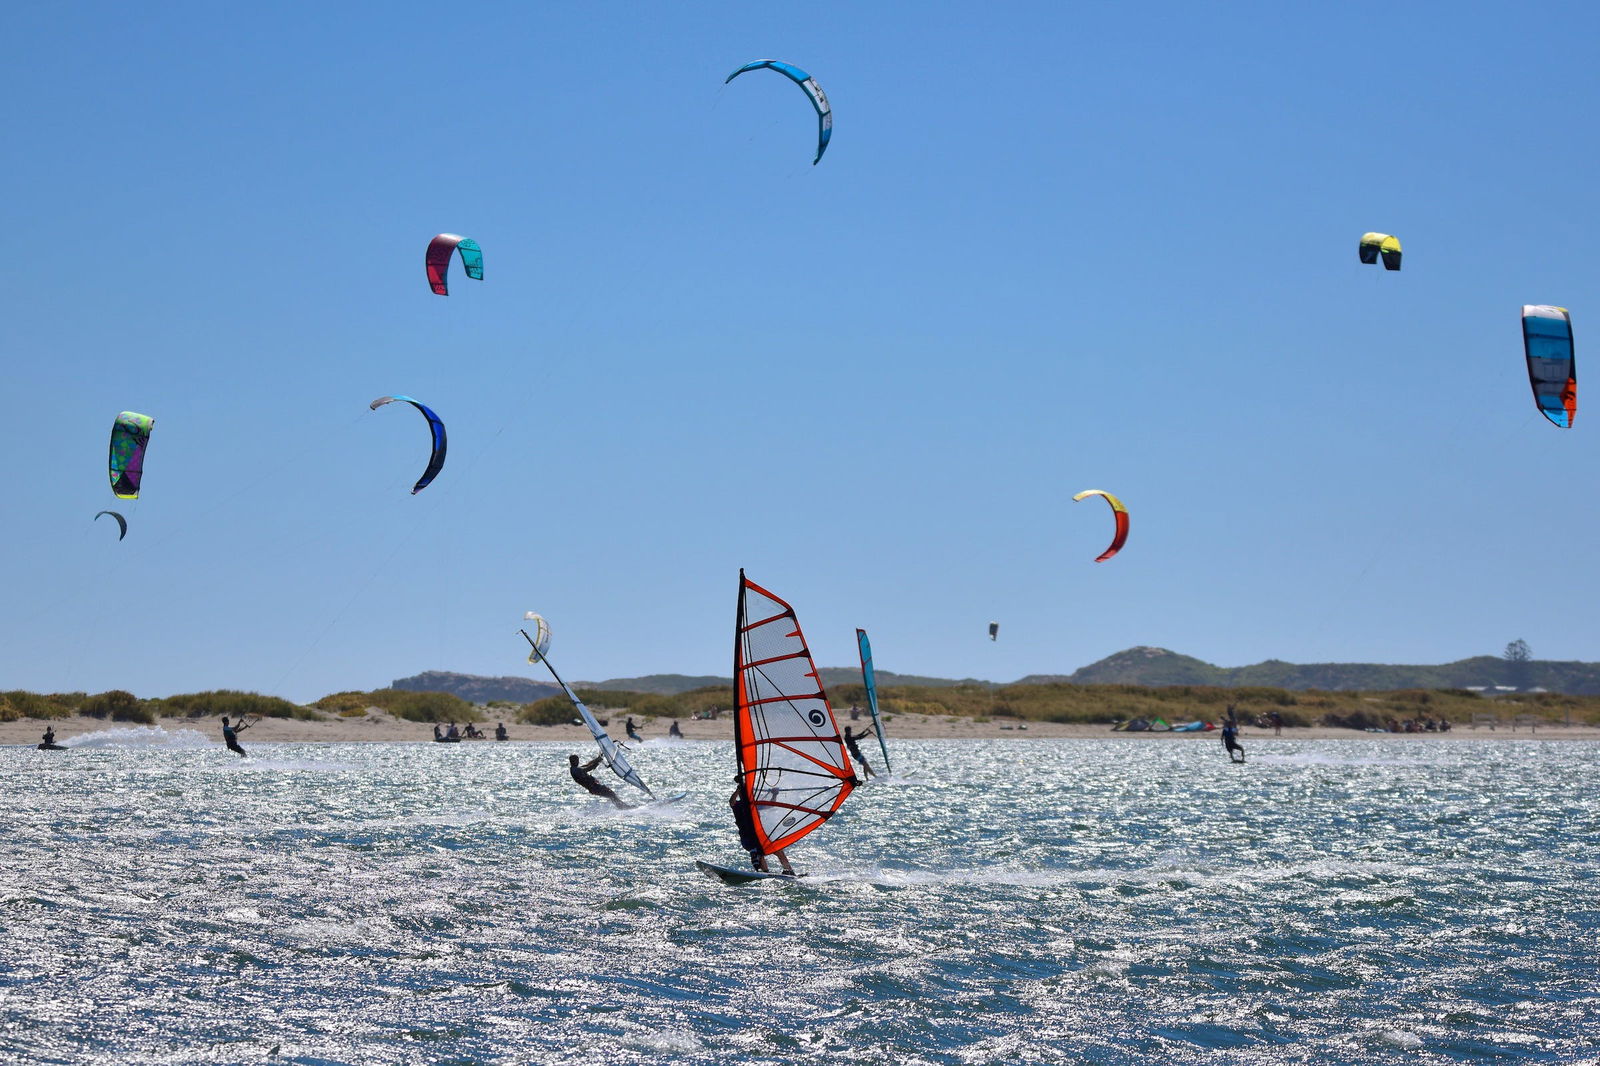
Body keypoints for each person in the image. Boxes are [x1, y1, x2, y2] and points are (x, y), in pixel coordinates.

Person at [730, 779, 795, 875]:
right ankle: (765, 872)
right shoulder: (738, 806)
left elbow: (771, 804)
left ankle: (789, 871)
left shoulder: (754, 805)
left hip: (760, 836)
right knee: (759, 854)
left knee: (779, 851)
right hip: (748, 839)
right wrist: (738, 790)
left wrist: (774, 794)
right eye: (741, 794)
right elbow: (732, 801)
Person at [569, 754, 634, 810]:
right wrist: (598, 762)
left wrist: (597, 759)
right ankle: (623, 807)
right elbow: (588, 768)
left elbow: (587, 765)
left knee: (611, 794)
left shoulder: (575, 768)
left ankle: (622, 807)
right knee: (611, 794)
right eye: (576, 760)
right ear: (572, 761)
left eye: (578, 760)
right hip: (594, 788)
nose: (578, 761)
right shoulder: (575, 770)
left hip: (595, 787)